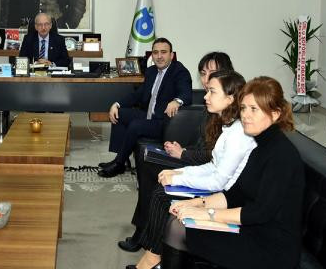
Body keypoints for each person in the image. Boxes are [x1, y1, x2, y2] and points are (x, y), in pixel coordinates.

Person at [129, 77, 304, 269]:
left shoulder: (281, 155)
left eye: (254, 109)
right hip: (252, 230)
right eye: (243, 108)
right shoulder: (261, 147)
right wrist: (194, 203)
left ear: (275, 114)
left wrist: (206, 213)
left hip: (270, 246)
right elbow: (234, 194)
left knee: (179, 228)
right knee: (177, 220)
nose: (246, 115)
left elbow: (259, 213)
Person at [119, 52, 235, 252]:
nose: (206, 79)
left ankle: (143, 234)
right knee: (145, 156)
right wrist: (181, 148)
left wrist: (182, 154)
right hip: (193, 157)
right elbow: (203, 144)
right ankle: (144, 231)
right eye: (203, 73)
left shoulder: (227, 108)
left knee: (149, 168)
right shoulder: (212, 101)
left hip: (201, 166)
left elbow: (212, 156)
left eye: (212, 72)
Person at [98, 37, 192, 178]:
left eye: (163, 52)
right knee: (119, 113)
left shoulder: (179, 71)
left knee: (135, 125)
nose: (159, 56)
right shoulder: (151, 71)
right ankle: (121, 158)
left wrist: (177, 101)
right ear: (152, 55)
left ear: (171, 55)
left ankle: (118, 164)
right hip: (149, 115)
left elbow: (186, 93)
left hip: (163, 122)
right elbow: (138, 94)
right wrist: (117, 104)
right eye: (155, 52)